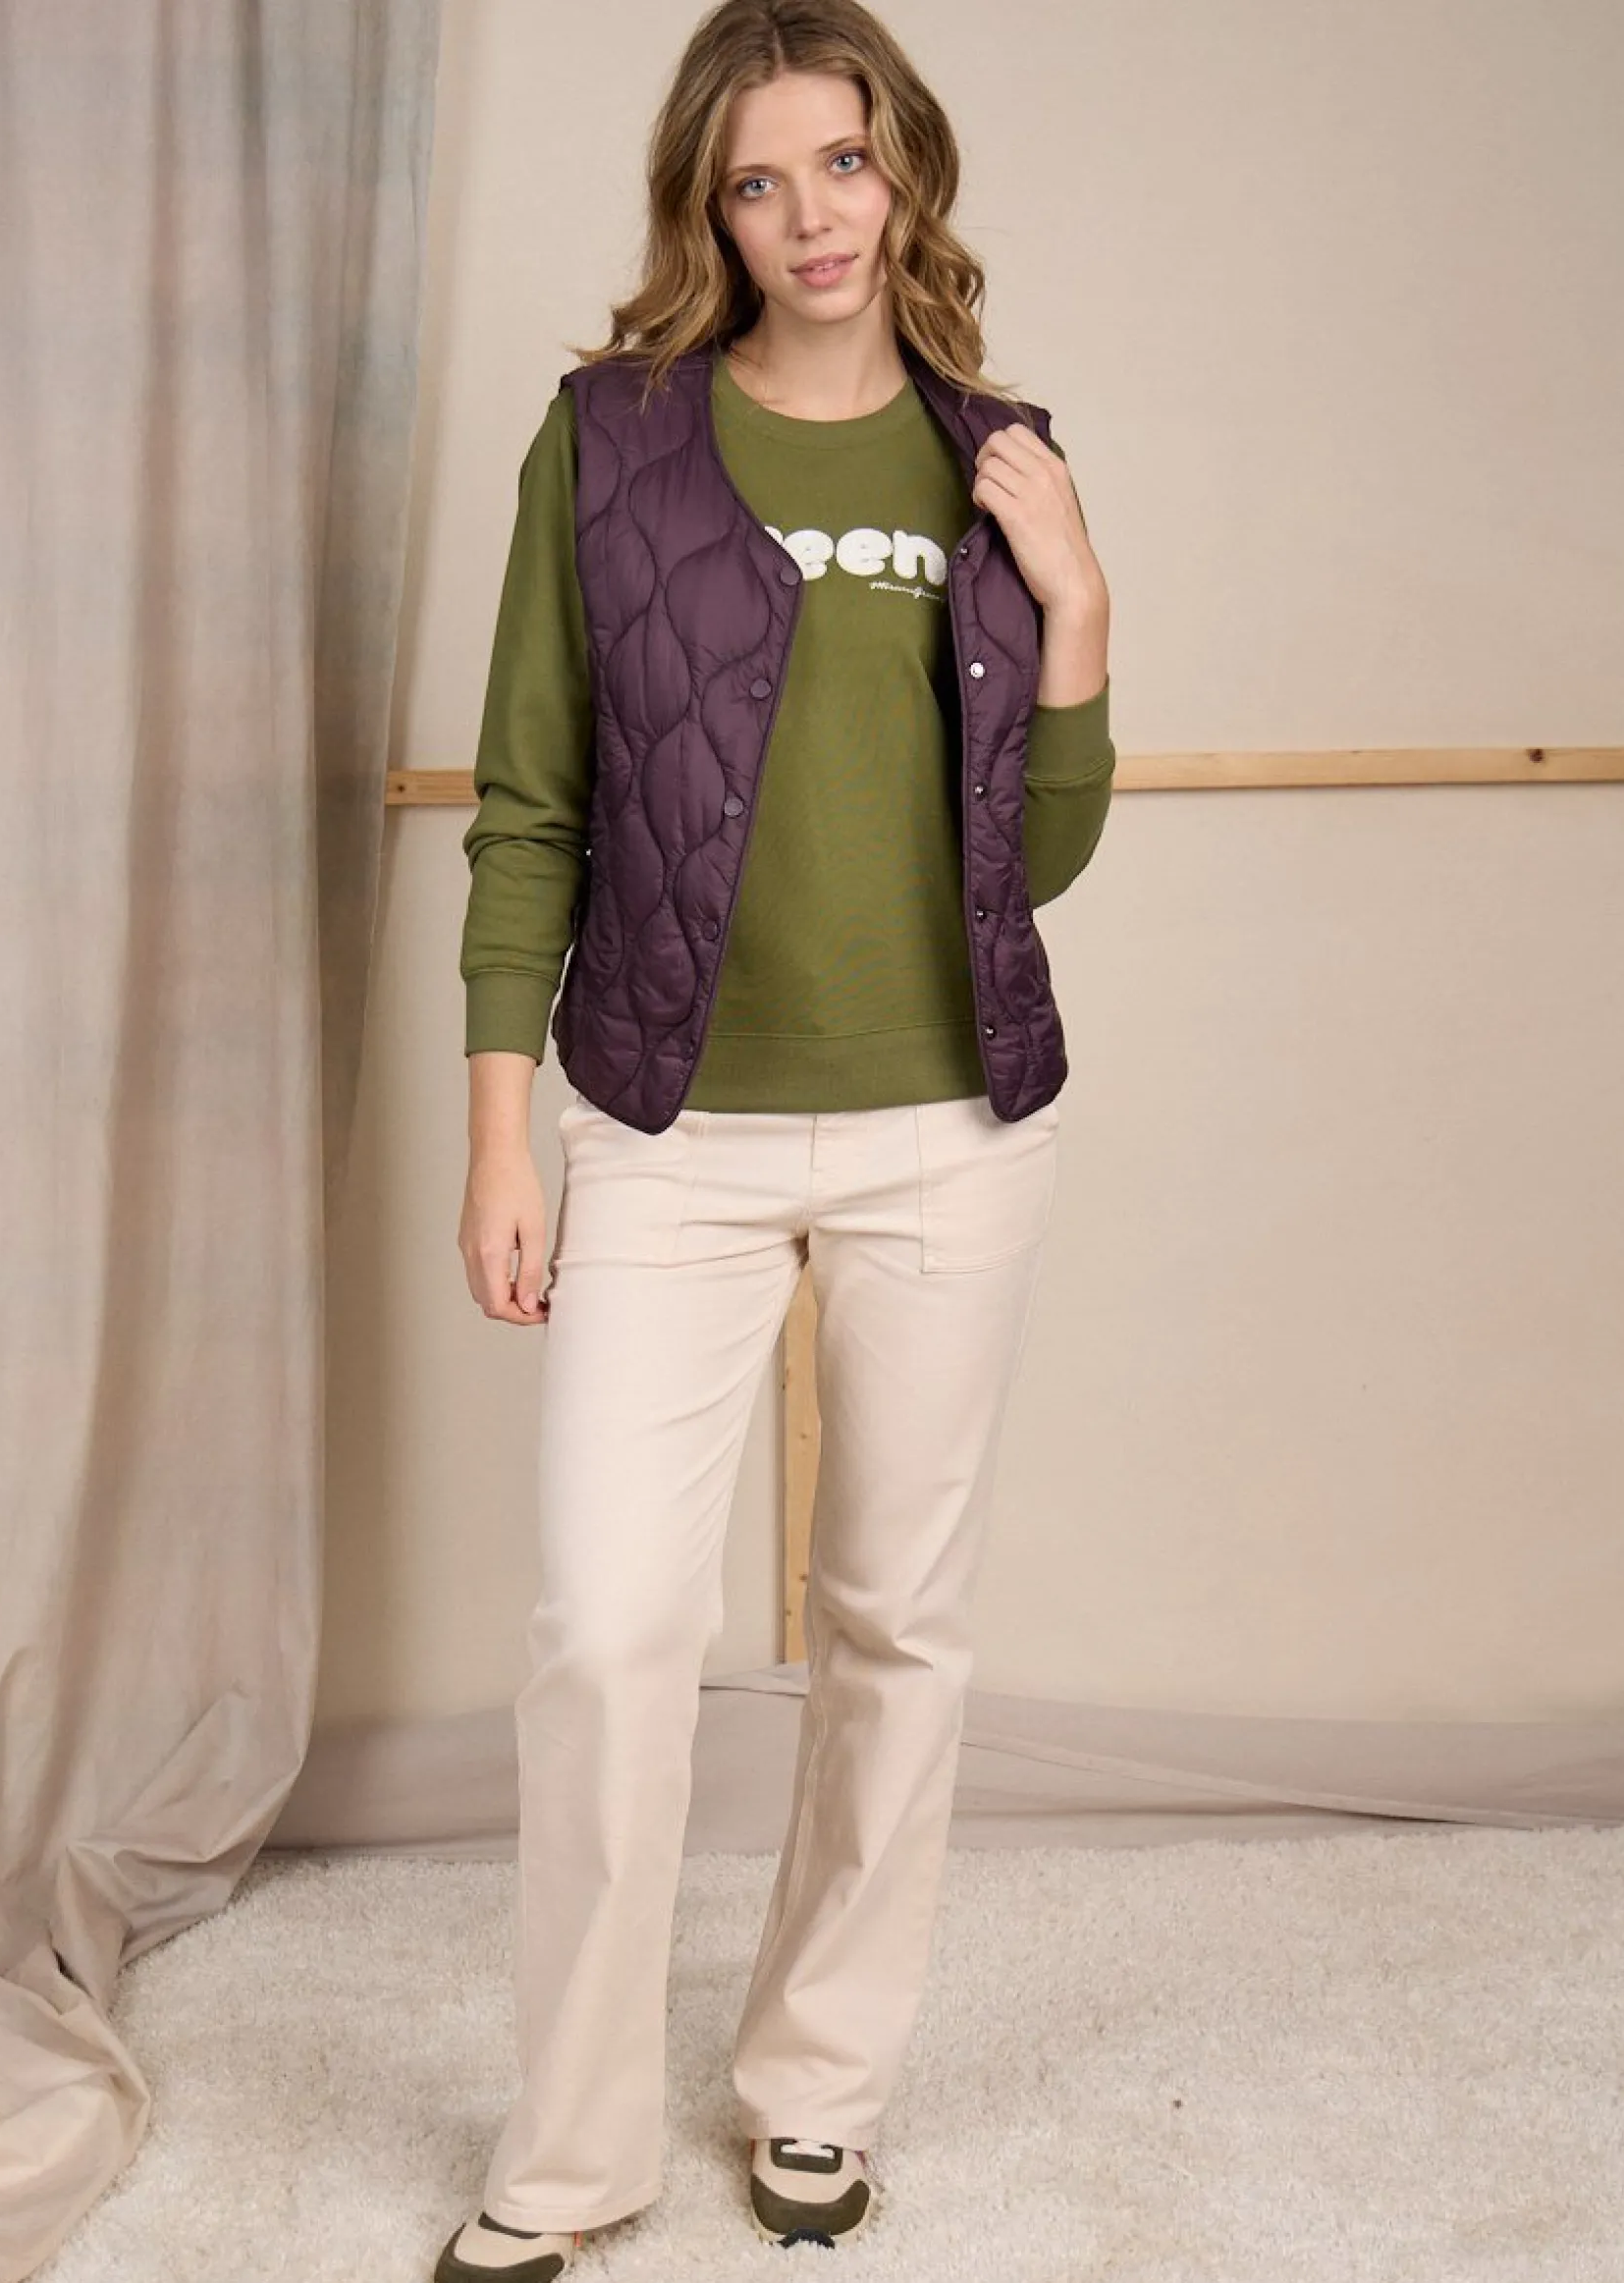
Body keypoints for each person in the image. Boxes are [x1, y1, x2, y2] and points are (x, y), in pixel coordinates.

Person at [441, 2, 1113, 2272]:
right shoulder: (612, 442)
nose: (812, 215)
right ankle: (571, 2152)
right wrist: (503, 1133)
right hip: (668, 1125)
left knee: (897, 1623)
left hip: (953, 1128)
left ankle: (817, 2088)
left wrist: (1082, 604)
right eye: (759, 180)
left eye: (845, 163)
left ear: (904, 170)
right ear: (707, 211)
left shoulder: (1000, 456)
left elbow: (1039, 854)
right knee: (612, 1628)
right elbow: (530, 801)